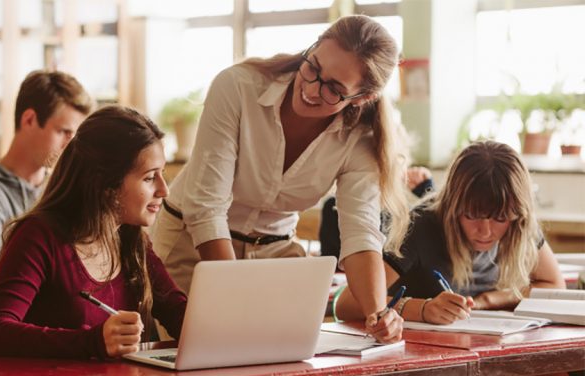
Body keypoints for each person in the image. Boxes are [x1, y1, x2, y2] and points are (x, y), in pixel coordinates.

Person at [150, 15, 410, 342]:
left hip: (272, 255)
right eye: (313, 68)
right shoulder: (238, 87)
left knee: (278, 367)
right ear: (312, 48)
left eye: (334, 89)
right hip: (192, 245)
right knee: (197, 360)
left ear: (361, 98)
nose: (312, 90)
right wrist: (227, 296)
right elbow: (206, 208)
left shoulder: (362, 139)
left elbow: (360, 234)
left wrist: (378, 314)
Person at [335, 141, 573, 376]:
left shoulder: (520, 227)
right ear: (452, 206)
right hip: (423, 370)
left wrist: (491, 299)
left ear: (518, 214)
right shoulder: (421, 227)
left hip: (486, 358)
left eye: (500, 218)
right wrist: (421, 309)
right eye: (472, 215)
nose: (485, 231)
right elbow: (345, 304)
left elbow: (553, 284)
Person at [0, 106, 187, 359]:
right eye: (150, 178)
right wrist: (92, 342)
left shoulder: (132, 240)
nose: (164, 190)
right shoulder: (38, 237)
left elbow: (179, 314)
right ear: (106, 185)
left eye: (162, 175)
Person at [0, 70, 94, 294]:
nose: (71, 145)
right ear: (29, 120)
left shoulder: (67, 189)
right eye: (63, 132)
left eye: (75, 136)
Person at [320, 166, 434, 258]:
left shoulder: (398, 210)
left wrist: (426, 190)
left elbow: (430, 234)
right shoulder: (334, 206)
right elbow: (331, 258)